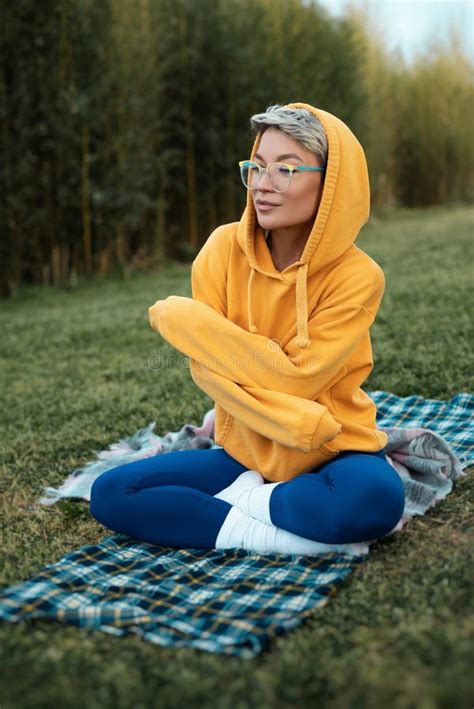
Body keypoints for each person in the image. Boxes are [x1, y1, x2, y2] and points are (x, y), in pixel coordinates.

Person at [89, 102, 405, 556]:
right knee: (112, 493)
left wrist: (187, 323)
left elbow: (300, 378)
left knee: (376, 500)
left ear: (332, 182)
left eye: (286, 170)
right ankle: (265, 526)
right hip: (243, 455)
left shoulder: (358, 276)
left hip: (336, 446)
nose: (262, 184)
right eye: (255, 167)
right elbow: (207, 371)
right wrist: (226, 358)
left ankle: (246, 504)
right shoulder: (221, 250)